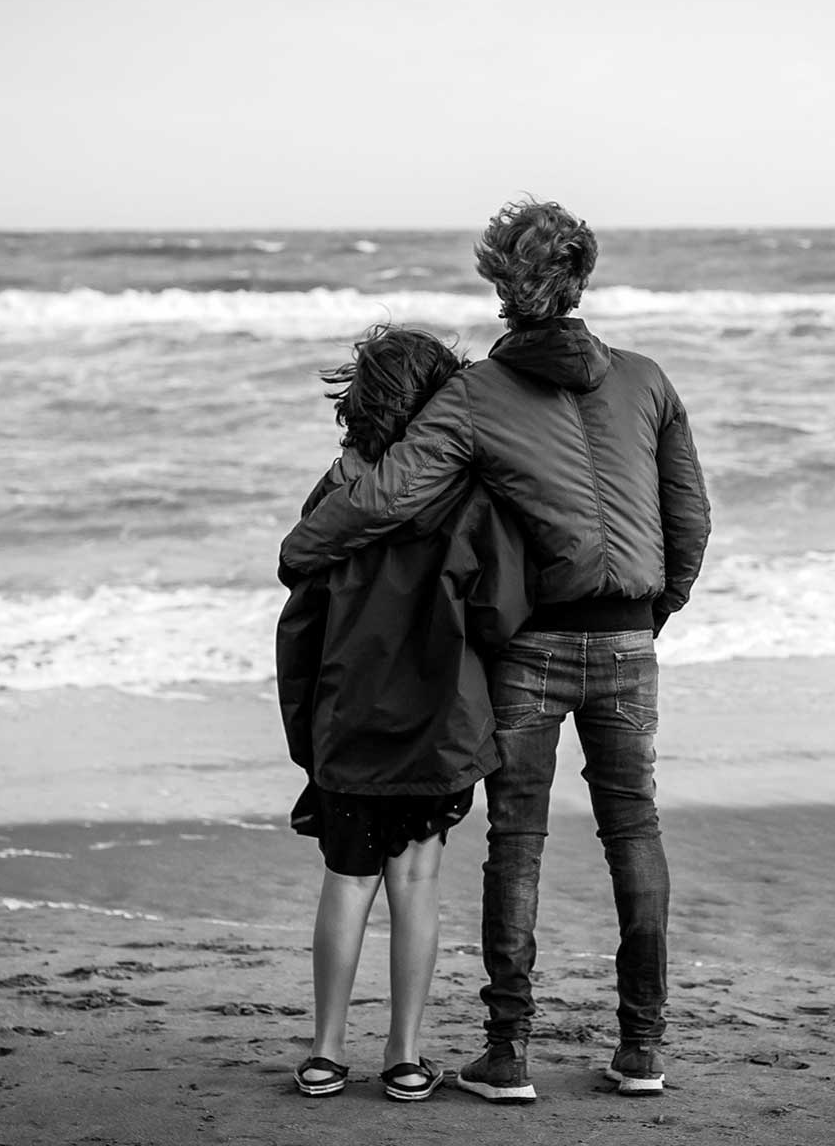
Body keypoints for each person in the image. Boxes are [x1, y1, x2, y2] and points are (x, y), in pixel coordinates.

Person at [279, 198, 712, 1102]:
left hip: (533, 646)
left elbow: (389, 497)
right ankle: (642, 1049)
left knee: (516, 839)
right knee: (633, 829)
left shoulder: (475, 394)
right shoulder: (648, 380)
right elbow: (689, 518)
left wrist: (301, 550)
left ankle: (507, 1052)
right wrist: (651, 613)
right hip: (629, 643)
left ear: (499, 285)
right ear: (580, 278)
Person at [276, 324, 532, 1102]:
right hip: (439, 723)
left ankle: (325, 1053)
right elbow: (499, 610)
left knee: (346, 880)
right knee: (417, 879)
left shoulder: (337, 492)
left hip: (349, 718)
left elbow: (301, 618)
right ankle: (405, 1057)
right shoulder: (469, 496)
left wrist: (306, 729)